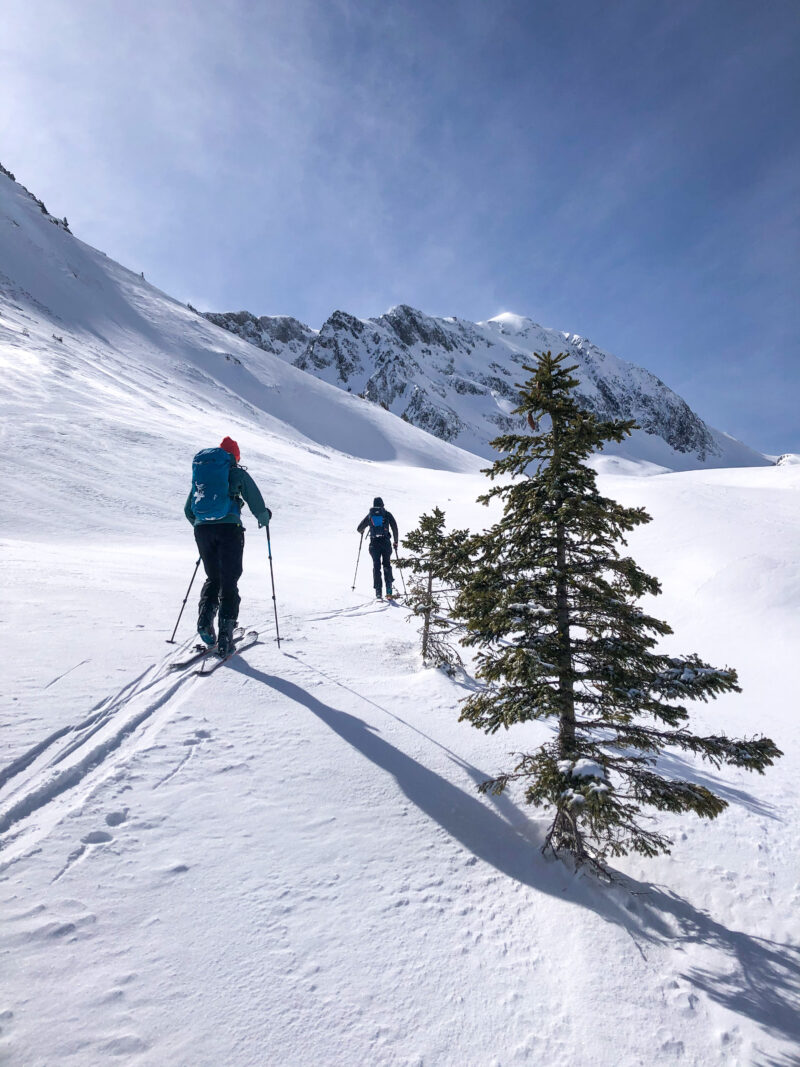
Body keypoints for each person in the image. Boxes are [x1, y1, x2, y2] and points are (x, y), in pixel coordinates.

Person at [185, 436, 271, 655]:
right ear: (235, 456)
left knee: (214, 577)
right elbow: (254, 498)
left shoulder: (204, 476)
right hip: (229, 530)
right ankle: (225, 635)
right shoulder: (235, 472)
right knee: (230, 579)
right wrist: (264, 516)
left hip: (202, 531)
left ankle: (205, 621)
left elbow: (189, 509)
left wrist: (203, 525)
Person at [357, 496, 399, 599]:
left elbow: (359, 528)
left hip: (374, 544)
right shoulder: (387, 514)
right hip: (385, 542)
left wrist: (363, 531)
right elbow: (394, 527)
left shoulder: (370, 515)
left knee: (376, 567)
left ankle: (378, 592)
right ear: (382, 504)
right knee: (387, 565)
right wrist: (396, 541)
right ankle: (389, 590)